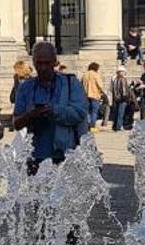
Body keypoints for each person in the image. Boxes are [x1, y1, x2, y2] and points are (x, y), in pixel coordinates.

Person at [12, 40, 88, 172]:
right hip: (36, 157)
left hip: (66, 155)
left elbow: (80, 113)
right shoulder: (26, 88)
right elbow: (16, 123)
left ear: (55, 62)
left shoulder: (71, 83)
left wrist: (54, 111)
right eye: (39, 63)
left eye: (46, 63)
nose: (42, 68)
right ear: (33, 62)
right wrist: (30, 115)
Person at [82, 61, 107, 128]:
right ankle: (92, 126)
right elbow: (100, 86)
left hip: (85, 95)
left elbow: (81, 85)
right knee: (94, 112)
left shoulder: (84, 74)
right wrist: (103, 92)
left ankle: (87, 125)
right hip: (95, 95)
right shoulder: (96, 75)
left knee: (87, 112)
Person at [110, 64, 132, 131]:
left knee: (117, 113)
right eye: (122, 71)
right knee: (120, 113)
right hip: (122, 99)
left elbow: (111, 89)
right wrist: (126, 98)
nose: (123, 73)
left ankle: (115, 126)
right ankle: (118, 127)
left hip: (116, 98)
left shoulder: (115, 79)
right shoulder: (123, 79)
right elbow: (124, 90)